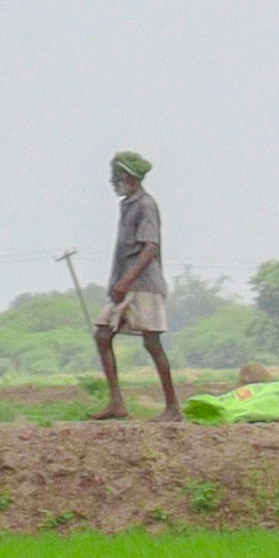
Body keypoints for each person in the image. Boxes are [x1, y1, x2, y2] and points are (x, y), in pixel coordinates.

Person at [92, 151, 180, 421]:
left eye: (115, 176)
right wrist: (119, 283)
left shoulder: (145, 205)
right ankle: (117, 403)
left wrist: (126, 280)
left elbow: (150, 248)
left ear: (128, 177)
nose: (111, 181)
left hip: (143, 284)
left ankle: (173, 408)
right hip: (126, 284)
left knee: (152, 343)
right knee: (102, 335)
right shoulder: (129, 204)